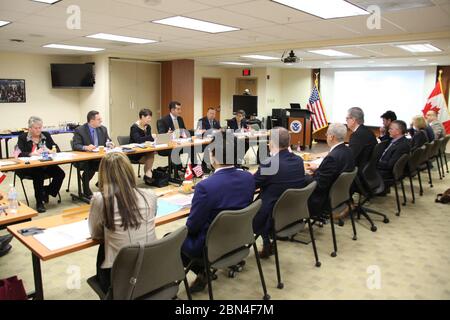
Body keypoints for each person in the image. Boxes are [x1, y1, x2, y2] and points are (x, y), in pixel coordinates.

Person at [181, 133, 255, 293]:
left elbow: (192, 227)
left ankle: (201, 271)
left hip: (210, 246)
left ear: (213, 156)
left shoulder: (205, 187)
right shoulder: (249, 178)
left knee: (171, 240)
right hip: (239, 239)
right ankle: (203, 271)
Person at [88, 152, 157, 293]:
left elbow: (95, 234)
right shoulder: (150, 195)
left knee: (104, 248)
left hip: (120, 276)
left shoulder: (100, 199)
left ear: (103, 175)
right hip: (150, 267)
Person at [253, 127, 306, 258]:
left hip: (269, 216)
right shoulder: (299, 161)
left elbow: (252, 184)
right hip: (291, 213)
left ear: (271, 143)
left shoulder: (270, 164)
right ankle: (267, 244)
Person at [16, 116, 65, 213]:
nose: (39, 130)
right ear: (30, 128)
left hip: (46, 163)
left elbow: (57, 149)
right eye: (36, 128)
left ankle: (46, 191)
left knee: (60, 174)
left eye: (40, 127)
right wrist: (31, 153)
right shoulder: (22, 137)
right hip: (30, 167)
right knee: (38, 175)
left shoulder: (45, 135)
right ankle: (39, 202)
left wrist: (50, 150)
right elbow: (18, 153)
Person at [306, 123, 355, 219]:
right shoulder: (348, 151)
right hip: (341, 196)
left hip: (323, 199)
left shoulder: (332, 157)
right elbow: (334, 172)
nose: (326, 136)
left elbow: (319, 185)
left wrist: (304, 176)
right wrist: (318, 169)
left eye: (327, 134)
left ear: (331, 137)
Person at [73, 110, 111, 199]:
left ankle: (102, 183)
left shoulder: (103, 129)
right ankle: (85, 188)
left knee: (112, 162)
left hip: (100, 157)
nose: (101, 121)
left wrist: (110, 143)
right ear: (91, 121)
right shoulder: (80, 130)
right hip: (86, 159)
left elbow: (108, 141)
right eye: (99, 119)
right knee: (89, 165)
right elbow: (75, 145)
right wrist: (85, 147)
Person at [346, 107, 377, 172]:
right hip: (369, 169)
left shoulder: (357, 135)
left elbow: (350, 158)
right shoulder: (368, 131)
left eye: (347, 118)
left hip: (359, 171)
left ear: (354, 120)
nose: (346, 121)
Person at [129, 108, 155, 185]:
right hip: (135, 153)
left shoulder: (148, 127)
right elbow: (138, 140)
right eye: (148, 118)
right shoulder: (134, 127)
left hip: (145, 150)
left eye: (150, 118)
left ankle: (148, 173)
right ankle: (148, 174)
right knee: (150, 155)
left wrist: (151, 139)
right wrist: (150, 137)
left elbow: (149, 140)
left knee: (151, 153)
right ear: (142, 117)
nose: (150, 120)